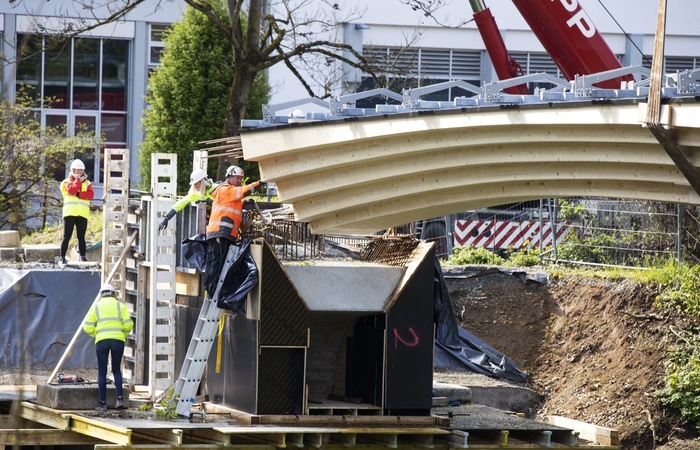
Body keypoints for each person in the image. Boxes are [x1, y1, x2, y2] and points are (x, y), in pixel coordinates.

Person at [203, 165, 261, 296]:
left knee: (216, 262)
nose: (240, 181)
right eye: (238, 178)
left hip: (223, 233)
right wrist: (260, 182)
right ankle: (214, 292)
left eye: (241, 178)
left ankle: (212, 289)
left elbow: (234, 203)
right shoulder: (226, 190)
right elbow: (245, 190)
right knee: (218, 263)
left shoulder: (229, 193)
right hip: (221, 232)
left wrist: (244, 203)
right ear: (229, 178)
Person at [83, 283, 133, 411]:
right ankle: (120, 399)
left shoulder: (96, 307)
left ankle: (102, 403)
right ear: (113, 294)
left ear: (101, 294)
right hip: (118, 341)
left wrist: (98, 334)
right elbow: (128, 325)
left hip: (102, 342)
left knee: (102, 371)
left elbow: (87, 327)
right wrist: (121, 334)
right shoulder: (120, 306)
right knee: (116, 370)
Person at [59, 159, 95, 265]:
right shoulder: (66, 182)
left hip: (82, 214)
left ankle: (82, 257)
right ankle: (62, 257)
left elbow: (90, 194)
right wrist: (78, 181)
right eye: (77, 170)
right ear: (72, 170)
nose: (79, 173)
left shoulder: (87, 183)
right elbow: (72, 190)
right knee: (67, 236)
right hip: (70, 213)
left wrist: (80, 195)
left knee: (81, 237)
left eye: (81, 171)